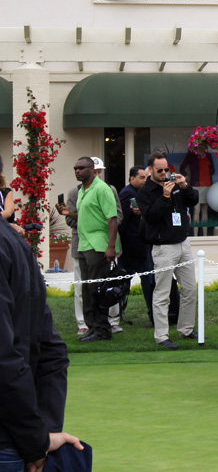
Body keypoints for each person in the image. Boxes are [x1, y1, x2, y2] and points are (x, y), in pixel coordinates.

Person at [0, 219, 84, 472]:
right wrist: (40, 438)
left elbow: (10, 358)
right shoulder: (13, 242)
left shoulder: (11, 242)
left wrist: (39, 440)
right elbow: (50, 350)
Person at [137, 151, 199, 350]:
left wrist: (184, 186)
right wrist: (164, 195)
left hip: (183, 242)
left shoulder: (175, 184)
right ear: (151, 170)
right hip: (163, 247)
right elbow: (151, 217)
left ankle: (186, 329)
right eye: (160, 170)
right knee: (162, 293)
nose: (164, 173)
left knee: (189, 289)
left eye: (167, 169)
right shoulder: (145, 192)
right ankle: (161, 335)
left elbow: (193, 200)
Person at [59, 158, 124, 335]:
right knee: (88, 290)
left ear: (91, 169)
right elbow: (85, 217)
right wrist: (68, 213)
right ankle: (92, 328)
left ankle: (102, 329)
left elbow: (112, 219)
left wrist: (111, 247)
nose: (77, 171)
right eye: (75, 168)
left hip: (99, 245)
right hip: (84, 244)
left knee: (97, 289)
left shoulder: (102, 189)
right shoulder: (82, 191)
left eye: (81, 168)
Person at [118, 166, 157, 323]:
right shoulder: (128, 194)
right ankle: (118, 314)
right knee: (133, 282)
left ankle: (119, 314)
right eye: (141, 177)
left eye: (146, 177)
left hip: (139, 246)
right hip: (133, 247)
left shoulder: (139, 193)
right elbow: (123, 222)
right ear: (131, 178)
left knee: (143, 282)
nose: (144, 180)